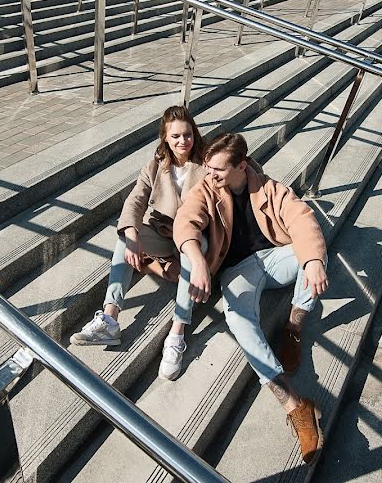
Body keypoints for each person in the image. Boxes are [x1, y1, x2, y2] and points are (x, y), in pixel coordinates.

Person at [170, 132, 329, 466]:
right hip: (236, 272)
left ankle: (293, 327)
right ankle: (295, 406)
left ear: (241, 165)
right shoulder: (206, 189)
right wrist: (198, 260)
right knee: (239, 321)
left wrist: (313, 261)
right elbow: (185, 220)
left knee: (312, 252)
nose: (209, 174)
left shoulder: (267, 188)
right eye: (207, 167)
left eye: (218, 169)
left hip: (273, 259)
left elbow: (301, 218)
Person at [70, 106, 206, 347]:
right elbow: (135, 200)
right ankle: (110, 319)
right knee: (124, 239)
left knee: (188, 254)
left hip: (196, 236)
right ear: (165, 137)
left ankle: (179, 330)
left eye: (188, 134)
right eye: (175, 136)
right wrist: (132, 237)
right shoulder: (156, 166)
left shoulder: (205, 162)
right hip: (165, 233)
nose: (183, 141)